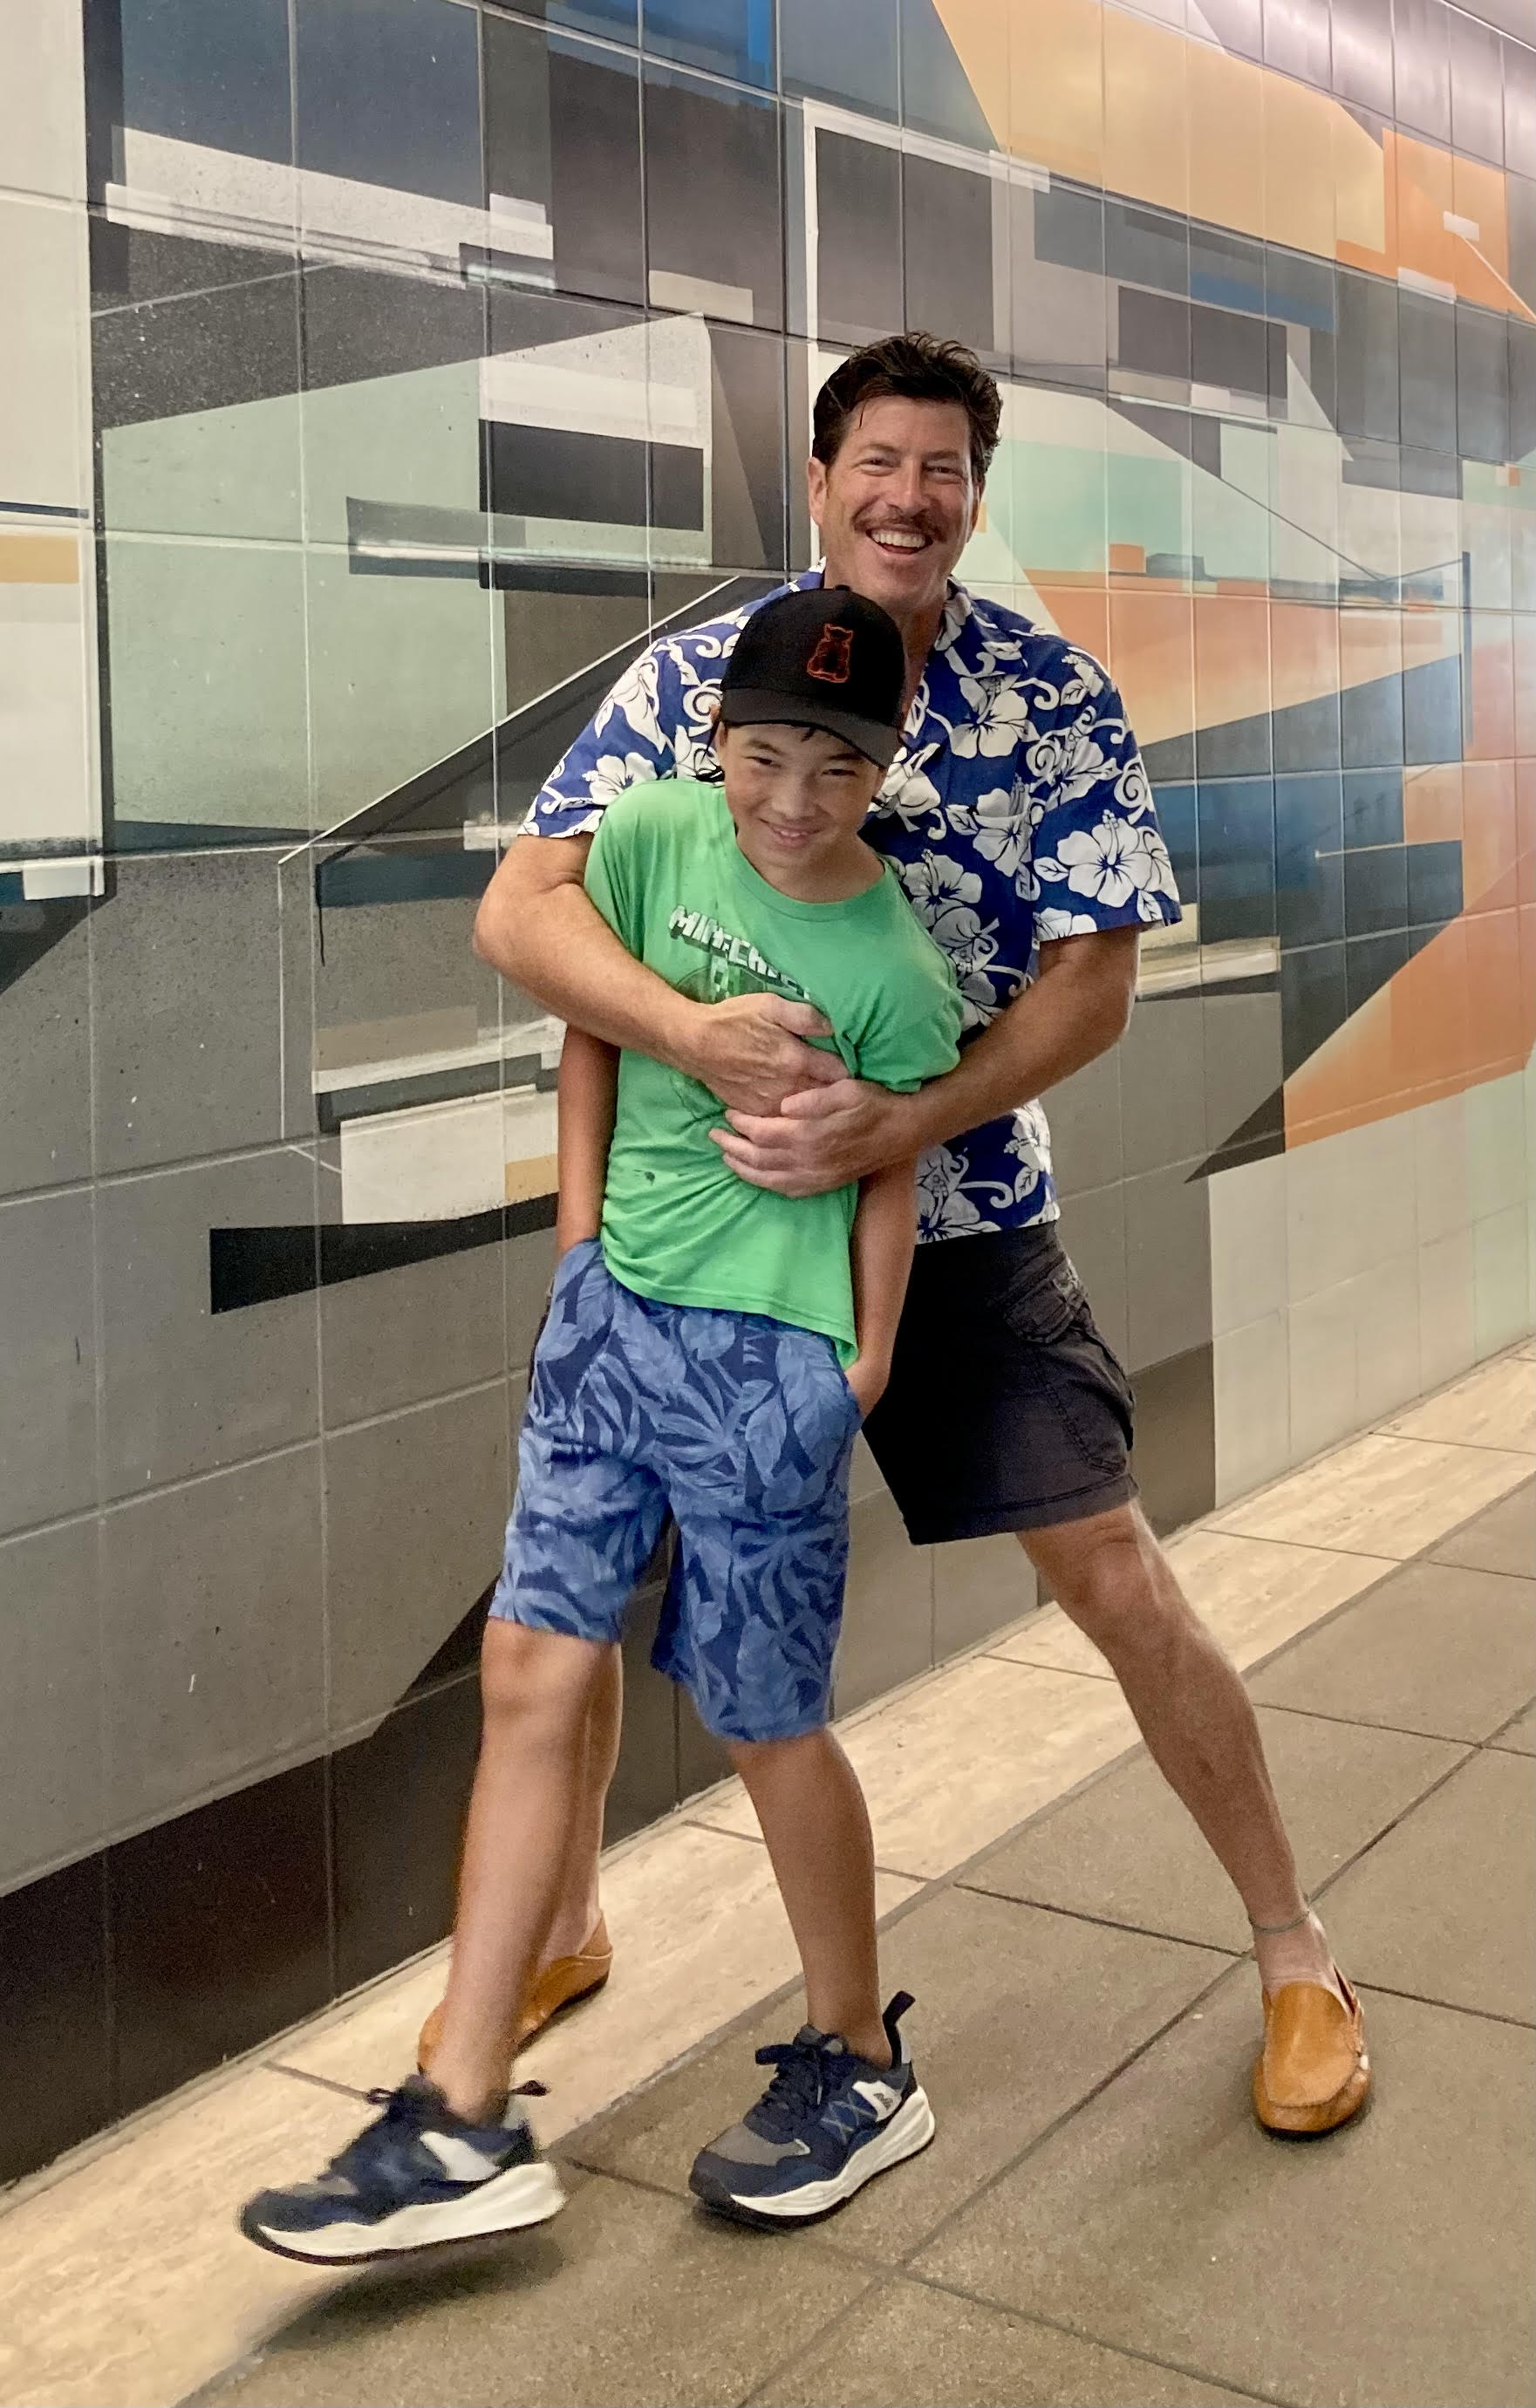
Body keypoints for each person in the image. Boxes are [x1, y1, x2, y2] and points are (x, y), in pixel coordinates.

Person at [468, 332, 1371, 2142]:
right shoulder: (697, 679)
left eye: (941, 467)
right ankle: (558, 1926)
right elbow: (527, 907)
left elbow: (1093, 984)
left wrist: (911, 1119)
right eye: (874, 461)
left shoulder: (1050, 698)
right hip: (697, 1238)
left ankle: (1295, 1953)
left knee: (1107, 1568)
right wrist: (690, 1041)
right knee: (587, 1585)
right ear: (819, 481)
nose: (906, 496)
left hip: (955, 1223)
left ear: (973, 493)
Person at [240, 584, 965, 2264]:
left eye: (837, 767)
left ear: (884, 767)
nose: (793, 797)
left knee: (763, 1716)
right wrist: (577, 1249)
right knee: (527, 1669)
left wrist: (860, 1362)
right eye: (765, 755)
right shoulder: (643, 839)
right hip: (610, 1326)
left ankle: (861, 2057)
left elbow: (890, 1168)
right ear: (717, 739)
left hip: (768, 1364)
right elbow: (594, 1032)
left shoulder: (895, 962)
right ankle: (460, 2113)